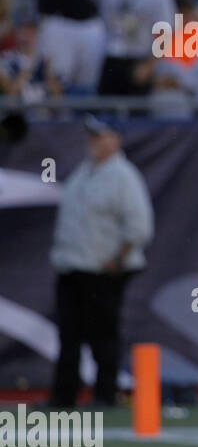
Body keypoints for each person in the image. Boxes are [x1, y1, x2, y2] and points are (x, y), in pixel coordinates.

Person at [48, 116, 154, 407]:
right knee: (68, 338)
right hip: (72, 268)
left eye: (101, 135)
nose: (93, 140)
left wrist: (116, 260)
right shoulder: (83, 172)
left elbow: (140, 227)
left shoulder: (124, 176)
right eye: (91, 135)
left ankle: (105, 395)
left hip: (103, 270)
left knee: (103, 336)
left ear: (116, 139)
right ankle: (63, 396)